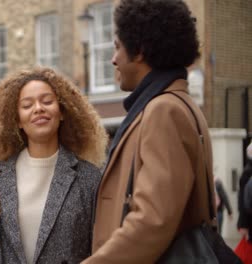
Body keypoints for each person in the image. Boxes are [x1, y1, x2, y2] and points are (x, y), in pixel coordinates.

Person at [82, 1, 213, 263]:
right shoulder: (173, 104)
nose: (113, 59)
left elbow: (153, 220)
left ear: (139, 50)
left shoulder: (164, 110)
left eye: (118, 47)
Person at [0, 67, 108, 263]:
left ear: (62, 112)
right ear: (18, 121)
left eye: (47, 101)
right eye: (27, 105)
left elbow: (101, 250)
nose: (38, 108)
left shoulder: (89, 177)